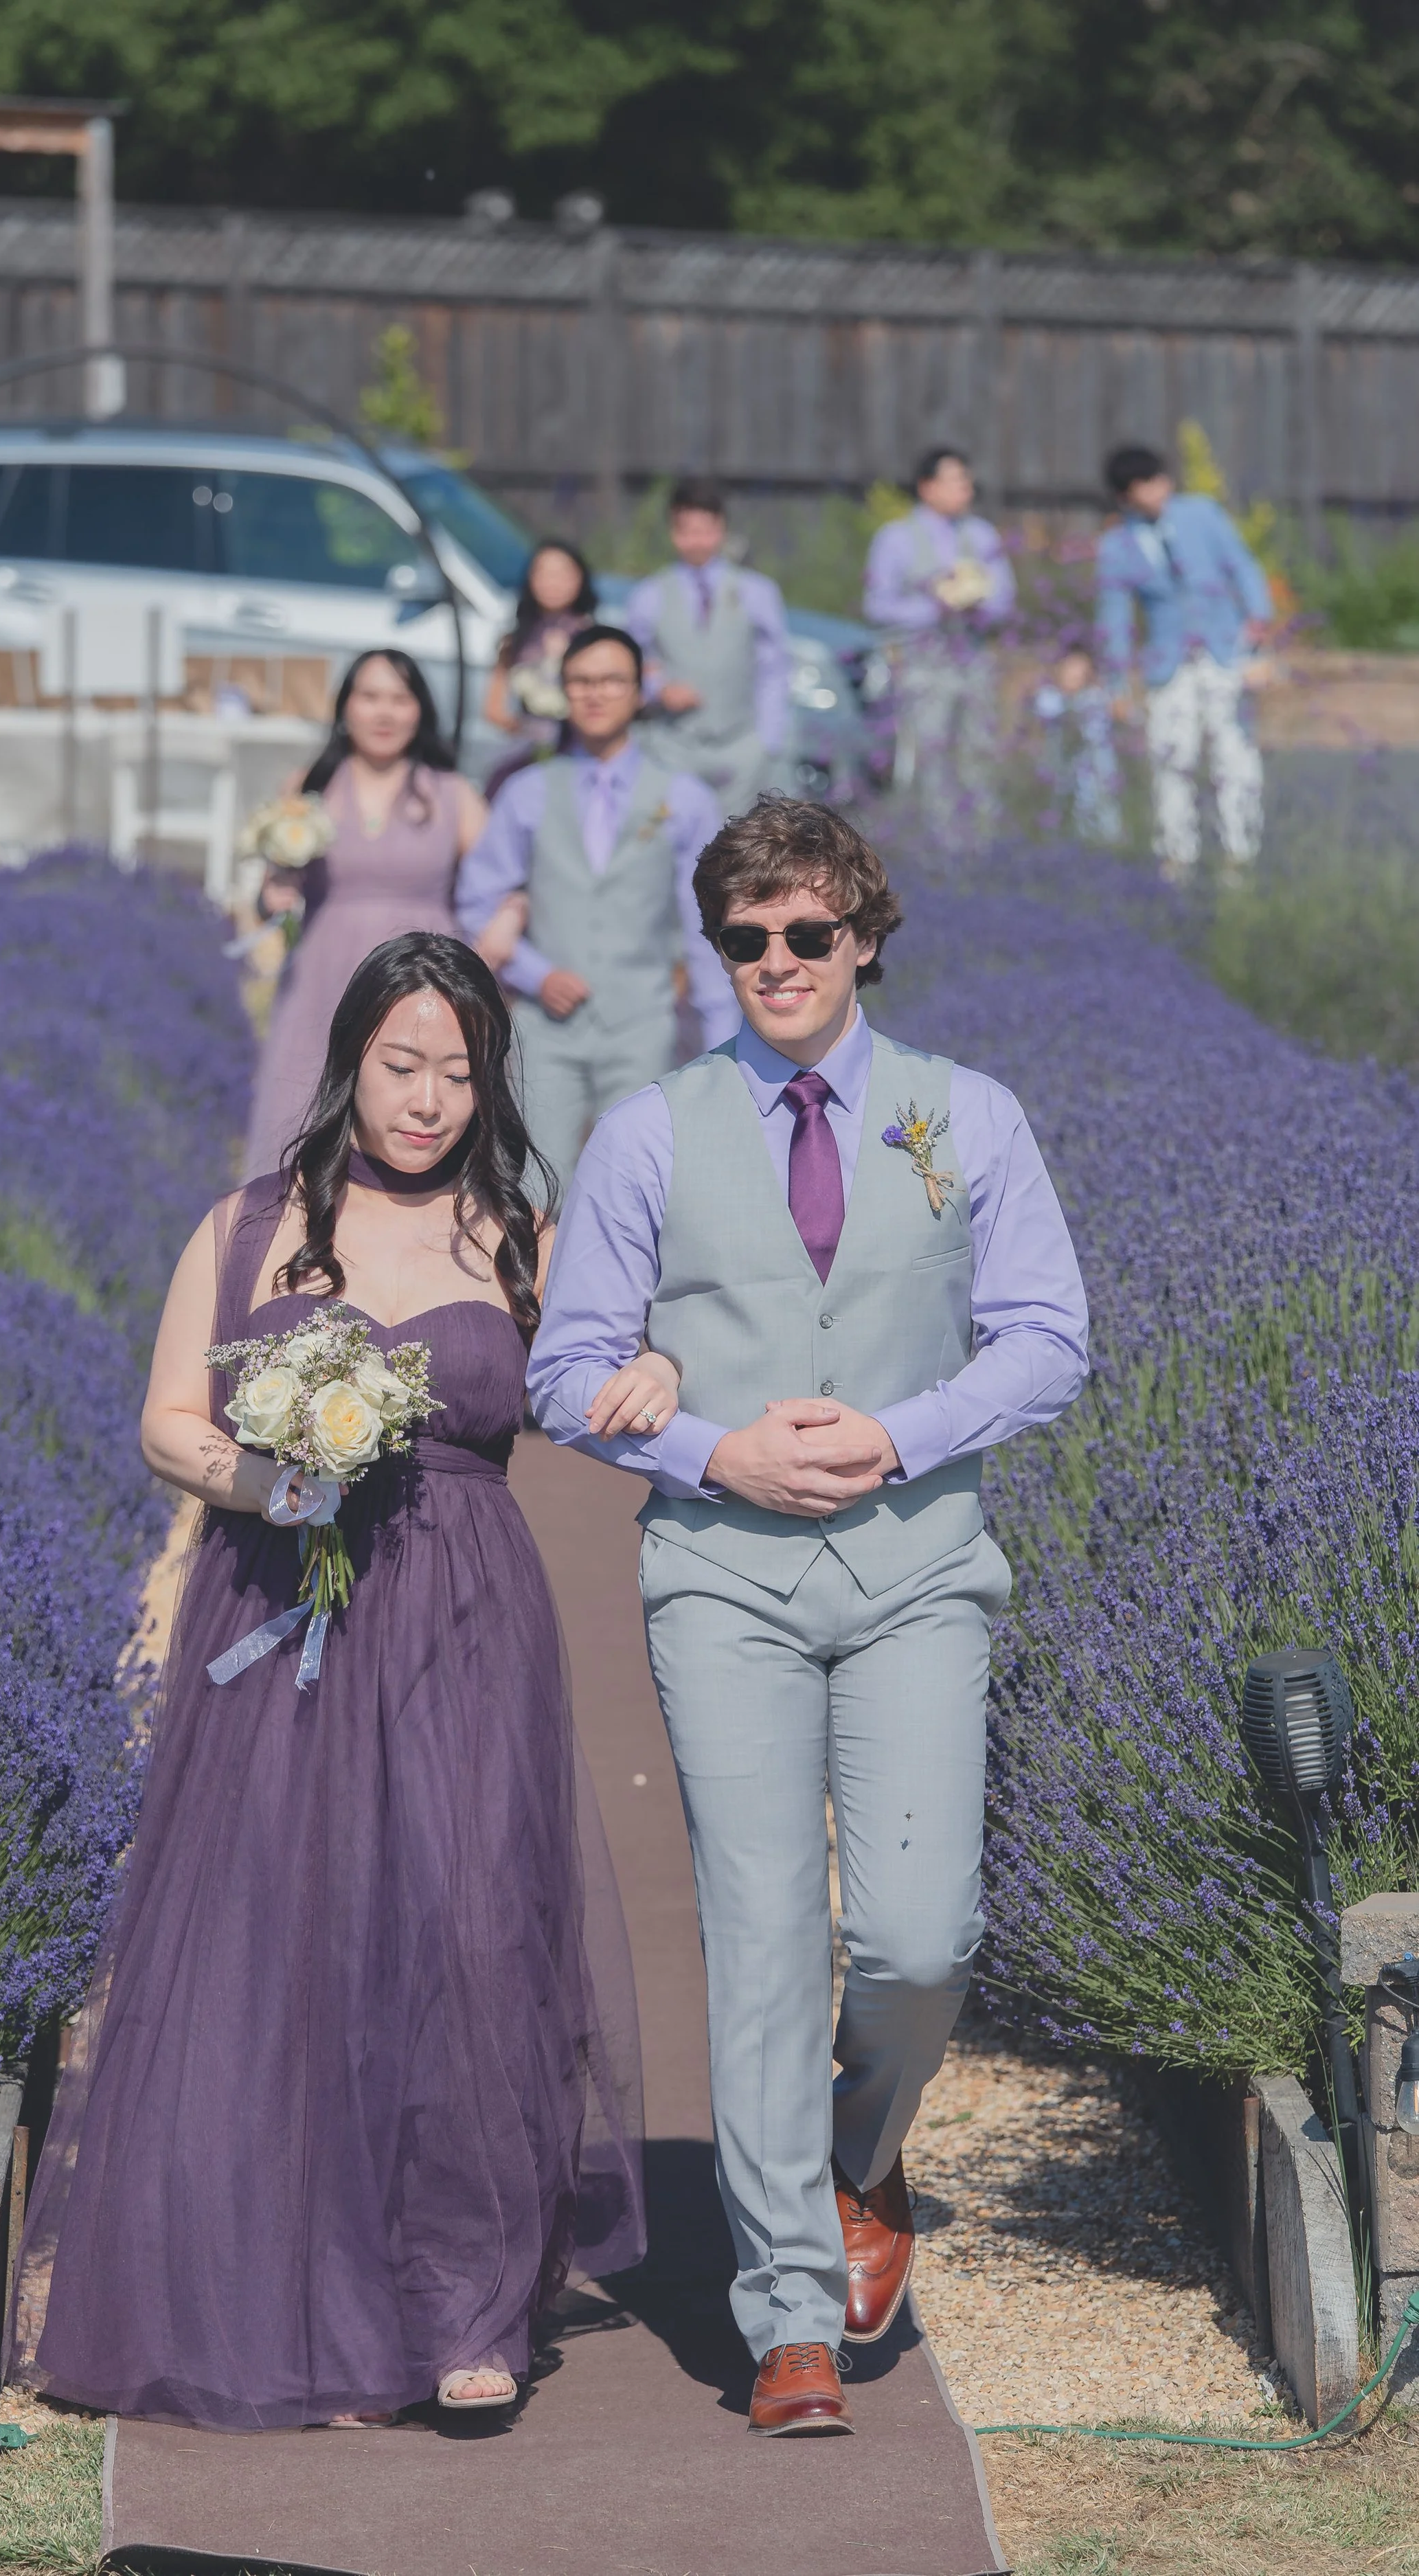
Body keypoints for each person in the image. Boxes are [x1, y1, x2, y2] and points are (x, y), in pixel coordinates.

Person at [9, 934, 666, 2428]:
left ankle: (462, 2298)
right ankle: (296, 2286)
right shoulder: (247, 1231)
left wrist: (665, 1377)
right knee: (293, 1936)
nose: (428, 1099)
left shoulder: (518, 1238)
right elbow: (167, 1422)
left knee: (470, 1929)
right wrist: (273, 1479)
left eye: (457, 1071)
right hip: (285, 1608)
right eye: (400, 1065)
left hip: (464, 1616)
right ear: (351, 1059)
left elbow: (605, 1381)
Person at [530, 797, 1088, 2437]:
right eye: (747, 937)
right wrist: (713, 1447)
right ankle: (786, 2308)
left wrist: (901, 1432)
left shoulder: (965, 1114)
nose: (778, 961)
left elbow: (1047, 1335)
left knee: (922, 1937)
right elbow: (570, 1366)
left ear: (864, 936)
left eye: (808, 932)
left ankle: (856, 2155)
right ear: (720, 951)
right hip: (721, 1576)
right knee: (760, 1935)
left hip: (919, 1564)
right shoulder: (647, 1129)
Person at [454, 622, 738, 1190]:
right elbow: (477, 898)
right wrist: (535, 973)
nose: (595, 693)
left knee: (637, 1186)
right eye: (580, 681)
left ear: (638, 691)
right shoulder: (527, 792)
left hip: (642, 1022)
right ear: (563, 691)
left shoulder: (684, 799)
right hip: (546, 1028)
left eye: (611, 680)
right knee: (534, 1188)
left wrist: (728, 1046)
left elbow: (709, 931)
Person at [242, 649, 512, 1178]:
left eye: (399, 698)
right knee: (303, 1117)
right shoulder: (310, 786)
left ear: (421, 711)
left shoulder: (453, 794)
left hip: (425, 979)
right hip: (324, 978)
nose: (384, 713)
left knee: (421, 1111)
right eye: (370, 697)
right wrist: (273, 892)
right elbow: (270, 892)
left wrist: (506, 921)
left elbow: (504, 883)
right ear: (346, 708)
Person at [1096, 442, 1271, 878]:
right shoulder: (1117, 545)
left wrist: (1259, 621)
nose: (1155, 493)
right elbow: (1114, 619)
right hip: (1168, 661)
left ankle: (1239, 854)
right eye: (1142, 487)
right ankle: (1177, 856)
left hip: (1224, 649)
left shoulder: (1202, 514)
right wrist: (1116, 683)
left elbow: (1242, 565)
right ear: (1125, 497)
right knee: (1173, 757)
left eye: (1157, 481)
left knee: (1235, 752)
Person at [862, 446, 1016, 847]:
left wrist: (978, 601)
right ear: (927, 487)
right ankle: (940, 848)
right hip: (922, 663)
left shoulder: (981, 535)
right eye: (955, 480)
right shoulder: (895, 539)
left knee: (980, 752)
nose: (965, 487)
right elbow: (877, 605)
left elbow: (1005, 598)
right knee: (931, 755)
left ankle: (984, 844)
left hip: (974, 657)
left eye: (966, 479)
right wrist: (932, 604)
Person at [624, 477, 791, 820]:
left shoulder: (756, 591)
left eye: (707, 530)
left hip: (741, 740)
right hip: (675, 742)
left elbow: (773, 666)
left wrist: (767, 740)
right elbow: (633, 662)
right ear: (674, 532)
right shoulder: (650, 595)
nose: (697, 541)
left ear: (722, 530)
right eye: (687, 531)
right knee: (675, 831)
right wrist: (659, 689)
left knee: (740, 842)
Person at [482, 536, 598, 791]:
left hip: (577, 754)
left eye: (562, 574)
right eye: (544, 573)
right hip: (525, 752)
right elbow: (493, 708)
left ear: (580, 579)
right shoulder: (515, 641)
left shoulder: (593, 640)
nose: (552, 583)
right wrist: (528, 729)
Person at [1032, 646, 1122, 845]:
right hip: (1061, 769)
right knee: (1059, 809)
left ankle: (1110, 844)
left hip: (1096, 771)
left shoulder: (1096, 696)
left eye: (1080, 670)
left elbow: (1119, 713)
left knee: (1102, 806)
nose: (1075, 675)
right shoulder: (1050, 697)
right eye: (1069, 669)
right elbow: (1046, 715)